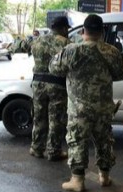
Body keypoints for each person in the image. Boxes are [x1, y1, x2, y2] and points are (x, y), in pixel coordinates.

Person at [50, 14, 123, 192]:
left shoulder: (72, 50)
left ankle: (77, 180)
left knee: (77, 140)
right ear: (101, 32)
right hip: (103, 108)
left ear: (83, 31)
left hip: (79, 109)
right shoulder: (112, 52)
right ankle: (105, 177)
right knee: (104, 141)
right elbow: (121, 74)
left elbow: (54, 68)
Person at [29, 16, 71, 161]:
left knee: (39, 117)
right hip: (56, 85)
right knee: (56, 119)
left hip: (38, 84)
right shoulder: (65, 43)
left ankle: (36, 148)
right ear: (64, 28)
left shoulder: (38, 40)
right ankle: (53, 151)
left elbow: (21, 47)